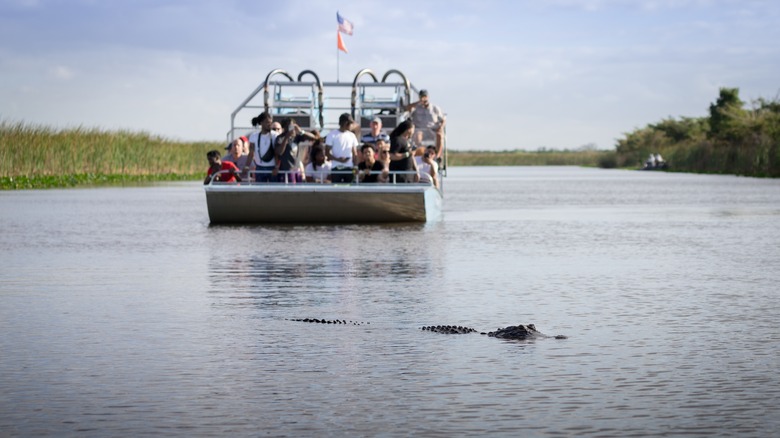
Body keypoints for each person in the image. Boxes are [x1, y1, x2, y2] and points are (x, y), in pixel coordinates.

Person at [404, 89, 446, 157]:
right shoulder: (416, 107)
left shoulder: (435, 108)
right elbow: (407, 108)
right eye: (422, 96)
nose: (424, 98)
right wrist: (418, 102)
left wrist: (441, 127)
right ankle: (419, 155)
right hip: (420, 130)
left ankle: (437, 157)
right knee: (418, 136)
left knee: (440, 135)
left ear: (428, 97)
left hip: (432, 130)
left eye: (425, 96)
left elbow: (443, 120)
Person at [325, 113, 359, 183]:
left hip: (349, 168)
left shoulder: (352, 135)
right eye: (350, 123)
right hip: (336, 168)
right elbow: (327, 153)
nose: (352, 126)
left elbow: (355, 153)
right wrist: (339, 160)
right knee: (336, 191)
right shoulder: (332, 134)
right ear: (346, 123)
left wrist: (355, 167)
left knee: (350, 191)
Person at [245, 112, 278, 182]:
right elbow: (251, 153)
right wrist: (247, 166)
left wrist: (277, 167)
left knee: (274, 190)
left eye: (270, 123)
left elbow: (277, 152)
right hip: (260, 167)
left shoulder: (275, 135)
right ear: (261, 123)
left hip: (272, 168)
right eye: (267, 122)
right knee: (260, 190)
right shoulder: (254, 136)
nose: (269, 125)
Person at [388, 119, 418, 183]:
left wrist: (416, 171)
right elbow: (392, 156)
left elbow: (411, 156)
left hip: (409, 174)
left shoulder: (407, 141)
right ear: (409, 129)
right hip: (399, 175)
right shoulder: (397, 140)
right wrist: (407, 154)